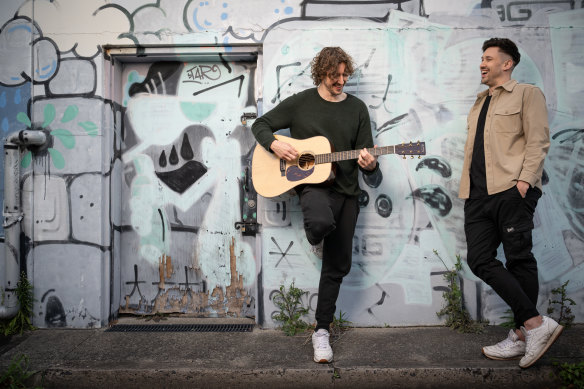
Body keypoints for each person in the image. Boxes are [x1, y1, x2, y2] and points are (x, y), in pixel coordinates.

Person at [251, 47, 379, 363]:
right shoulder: (301, 103)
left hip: (347, 191)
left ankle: (322, 331)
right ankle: (320, 235)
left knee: (337, 266)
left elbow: (368, 158)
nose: (341, 80)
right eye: (334, 75)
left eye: (345, 75)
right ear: (321, 72)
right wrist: (276, 144)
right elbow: (260, 125)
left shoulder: (357, 109)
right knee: (320, 224)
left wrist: (370, 164)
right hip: (313, 188)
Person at [459, 38, 562, 369]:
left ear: (507, 63)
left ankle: (522, 334)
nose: (481, 63)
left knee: (518, 259)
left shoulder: (527, 94)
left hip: (509, 190)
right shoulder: (479, 102)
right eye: (481, 58)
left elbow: (538, 141)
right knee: (479, 259)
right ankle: (533, 324)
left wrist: (522, 184)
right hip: (477, 195)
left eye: (488, 58)